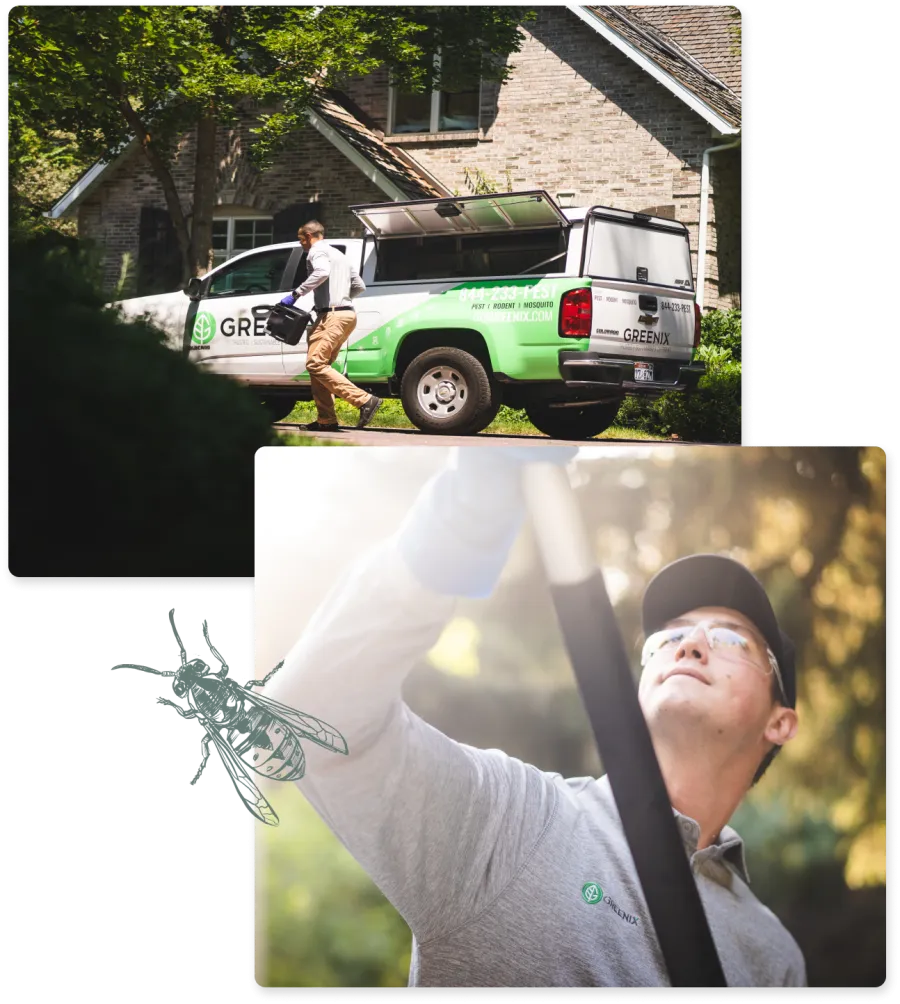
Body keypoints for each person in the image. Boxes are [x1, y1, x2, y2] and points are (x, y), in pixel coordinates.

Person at [261, 449, 806, 988]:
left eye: (732, 639)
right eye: (669, 636)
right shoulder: (515, 823)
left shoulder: (775, 958)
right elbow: (308, 713)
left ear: (780, 722)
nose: (689, 644)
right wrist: (451, 535)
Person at [281, 221, 382, 431]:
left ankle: (364, 400)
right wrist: (341, 299)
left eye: (301, 240)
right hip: (345, 315)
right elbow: (359, 286)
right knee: (318, 367)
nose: (301, 244)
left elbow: (321, 272)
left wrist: (296, 294)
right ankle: (326, 420)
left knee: (315, 364)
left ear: (309, 236)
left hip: (332, 316)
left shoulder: (316, 251)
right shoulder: (339, 255)